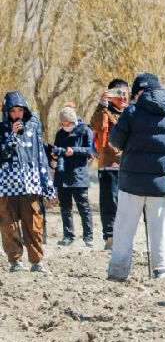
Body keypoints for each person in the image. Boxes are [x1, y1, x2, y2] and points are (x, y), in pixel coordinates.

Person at [106, 73, 165, 281]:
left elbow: (115, 140)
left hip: (131, 182)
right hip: (160, 183)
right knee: (159, 228)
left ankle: (118, 271)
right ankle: (162, 270)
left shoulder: (132, 112)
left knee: (124, 228)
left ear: (139, 92)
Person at [0, 92, 56, 272]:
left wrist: (46, 182)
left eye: (20, 110)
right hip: (6, 185)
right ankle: (15, 261)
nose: (17, 114)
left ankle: (37, 261)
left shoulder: (33, 128)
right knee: (9, 225)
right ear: (7, 112)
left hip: (30, 184)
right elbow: (2, 154)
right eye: (13, 111)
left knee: (33, 223)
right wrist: (12, 136)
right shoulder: (1, 129)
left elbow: (40, 155)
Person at [90, 79, 129, 250]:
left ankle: (125, 236)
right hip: (109, 164)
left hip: (129, 165)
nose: (122, 97)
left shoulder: (132, 112)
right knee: (109, 202)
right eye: (117, 93)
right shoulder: (104, 111)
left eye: (125, 92)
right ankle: (110, 237)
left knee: (127, 203)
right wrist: (101, 104)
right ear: (110, 94)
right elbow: (96, 125)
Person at [52, 105, 95, 247]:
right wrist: (54, 153)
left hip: (78, 176)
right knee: (65, 208)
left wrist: (74, 150)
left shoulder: (85, 130)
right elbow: (56, 148)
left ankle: (88, 237)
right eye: (63, 124)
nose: (65, 126)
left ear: (73, 121)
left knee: (83, 207)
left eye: (68, 124)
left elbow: (90, 150)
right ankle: (68, 235)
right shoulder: (60, 133)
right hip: (62, 175)